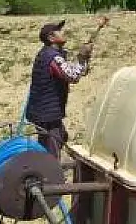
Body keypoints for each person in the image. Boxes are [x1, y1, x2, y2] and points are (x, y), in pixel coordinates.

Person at [25, 20, 94, 159]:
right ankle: (50, 176)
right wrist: (81, 58)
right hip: (47, 113)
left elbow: (76, 72)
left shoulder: (49, 54)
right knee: (53, 146)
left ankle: (44, 168)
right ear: (51, 38)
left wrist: (84, 58)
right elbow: (72, 76)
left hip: (42, 111)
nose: (63, 33)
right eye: (59, 31)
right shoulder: (53, 57)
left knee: (58, 137)